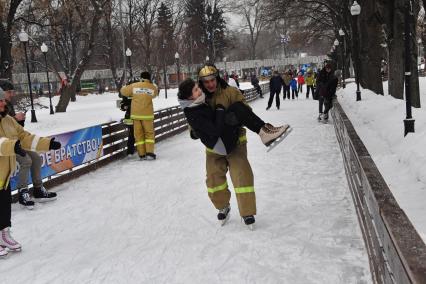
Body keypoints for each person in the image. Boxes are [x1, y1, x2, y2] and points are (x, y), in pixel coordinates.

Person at [193, 65, 289, 228]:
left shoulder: (231, 92)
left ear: (217, 78)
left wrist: (233, 119)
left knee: (242, 175)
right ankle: (223, 205)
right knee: (214, 180)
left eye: (212, 80)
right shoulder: (198, 98)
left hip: (234, 141)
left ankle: (247, 211)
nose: (210, 84)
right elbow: (192, 117)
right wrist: (195, 130)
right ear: (201, 82)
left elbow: (246, 112)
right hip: (214, 146)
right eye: (206, 82)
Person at [0, 87, 61, 257]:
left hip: (3, 175)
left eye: (3, 100)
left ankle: (3, 235)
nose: (3, 103)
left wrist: (47, 144)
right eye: (0, 101)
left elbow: (24, 137)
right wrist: (12, 146)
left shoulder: (8, 120)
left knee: (4, 208)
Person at [178, 78, 289, 152]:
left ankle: (265, 129)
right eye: (196, 90)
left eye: (198, 87)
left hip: (221, 139)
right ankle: (264, 132)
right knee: (237, 108)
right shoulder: (193, 113)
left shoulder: (197, 104)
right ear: (189, 97)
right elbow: (215, 130)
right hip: (222, 144)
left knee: (238, 108)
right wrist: (220, 110)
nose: (200, 90)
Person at [0, 80, 59, 209]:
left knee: (36, 158)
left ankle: (38, 189)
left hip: (15, 145)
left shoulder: (7, 111)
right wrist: (13, 144)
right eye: (9, 92)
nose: (11, 95)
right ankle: (23, 191)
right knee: (26, 160)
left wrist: (48, 143)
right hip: (6, 152)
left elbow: (21, 134)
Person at [120, 72, 158, 160]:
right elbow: (155, 94)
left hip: (136, 115)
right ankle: (149, 153)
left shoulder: (134, 86)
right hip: (147, 115)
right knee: (149, 134)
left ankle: (141, 154)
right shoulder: (152, 87)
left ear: (141, 77)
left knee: (138, 134)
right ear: (149, 78)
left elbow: (123, 91)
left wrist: (126, 88)